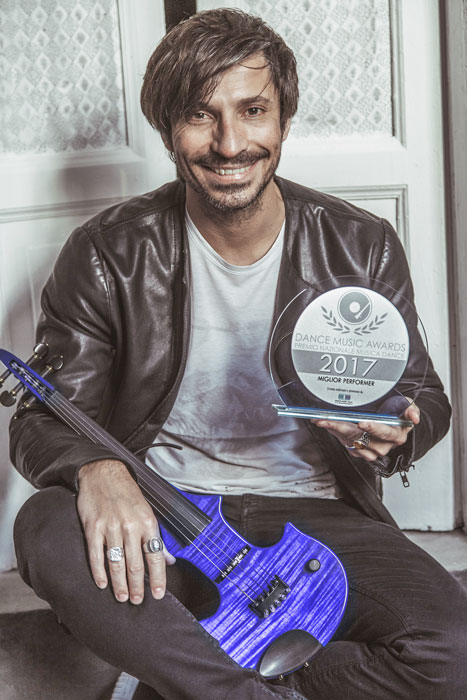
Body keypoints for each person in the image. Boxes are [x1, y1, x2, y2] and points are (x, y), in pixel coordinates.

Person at [10, 9, 467, 700]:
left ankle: (199, 681)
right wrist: (97, 468)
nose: (229, 143)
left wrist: (398, 429)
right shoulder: (108, 252)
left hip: (312, 515)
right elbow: (42, 415)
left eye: (253, 110)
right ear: (168, 129)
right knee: (44, 525)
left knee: (453, 653)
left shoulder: (359, 242)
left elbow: (422, 394)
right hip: (164, 511)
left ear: (283, 119)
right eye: (200, 115)